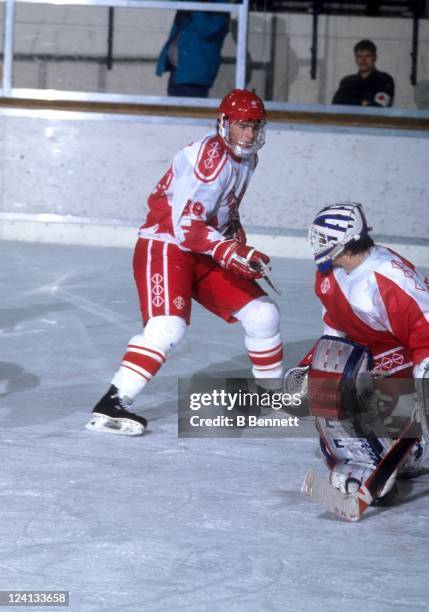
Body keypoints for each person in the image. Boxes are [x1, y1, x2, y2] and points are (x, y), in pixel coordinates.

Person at [86, 89, 284, 436]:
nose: (250, 135)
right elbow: (187, 227)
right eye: (242, 126)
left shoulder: (248, 158)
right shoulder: (209, 161)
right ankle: (112, 403)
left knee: (263, 314)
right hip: (166, 245)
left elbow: (224, 210)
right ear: (224, 124)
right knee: (168, 327)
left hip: (201, 248)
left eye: (255, 126)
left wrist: (236, 240)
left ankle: (270, 397)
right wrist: (231, 252)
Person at [285, 203, 428, 505]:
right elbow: (334, 325)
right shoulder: (329, 274)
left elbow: (424, 330)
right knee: (327, 395)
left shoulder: (390, 280)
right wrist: (314, 365)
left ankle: (414, 449)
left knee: (382, 415)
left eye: (322, 239)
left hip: (402, 358)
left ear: (346, 242)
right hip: (369, 356)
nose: (316, 245)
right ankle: (371, 458)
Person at [156, 2, 229, 98]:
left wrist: (195, 6)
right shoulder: (189, 8)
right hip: (178, 71)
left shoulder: (219, 10)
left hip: (195, 76)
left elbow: (208, 31)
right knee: (175, 109)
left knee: (189, 109)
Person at [332, 40, 395, 108]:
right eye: (359, 56)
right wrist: (361, 103)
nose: (363, 60)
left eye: (367, 56)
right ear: (355, 59)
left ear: (375, 57)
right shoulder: (347, 82)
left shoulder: (384, 79)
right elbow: (336, 103)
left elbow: (379, 106)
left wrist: (352, 102)